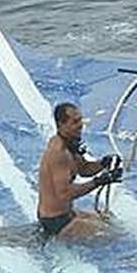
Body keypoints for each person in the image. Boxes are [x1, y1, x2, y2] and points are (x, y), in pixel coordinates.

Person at [36, 102, 122, 241]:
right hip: (56, 221)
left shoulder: (70, 143)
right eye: (75, 122)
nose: (81, 125)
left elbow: (84, 169)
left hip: (67, 213)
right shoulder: (59, 153)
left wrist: (103, 163)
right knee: (112, 237)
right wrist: (99, 181)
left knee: (108, 220)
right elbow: (65, 194)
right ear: (61, 124)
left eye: (81, 120)